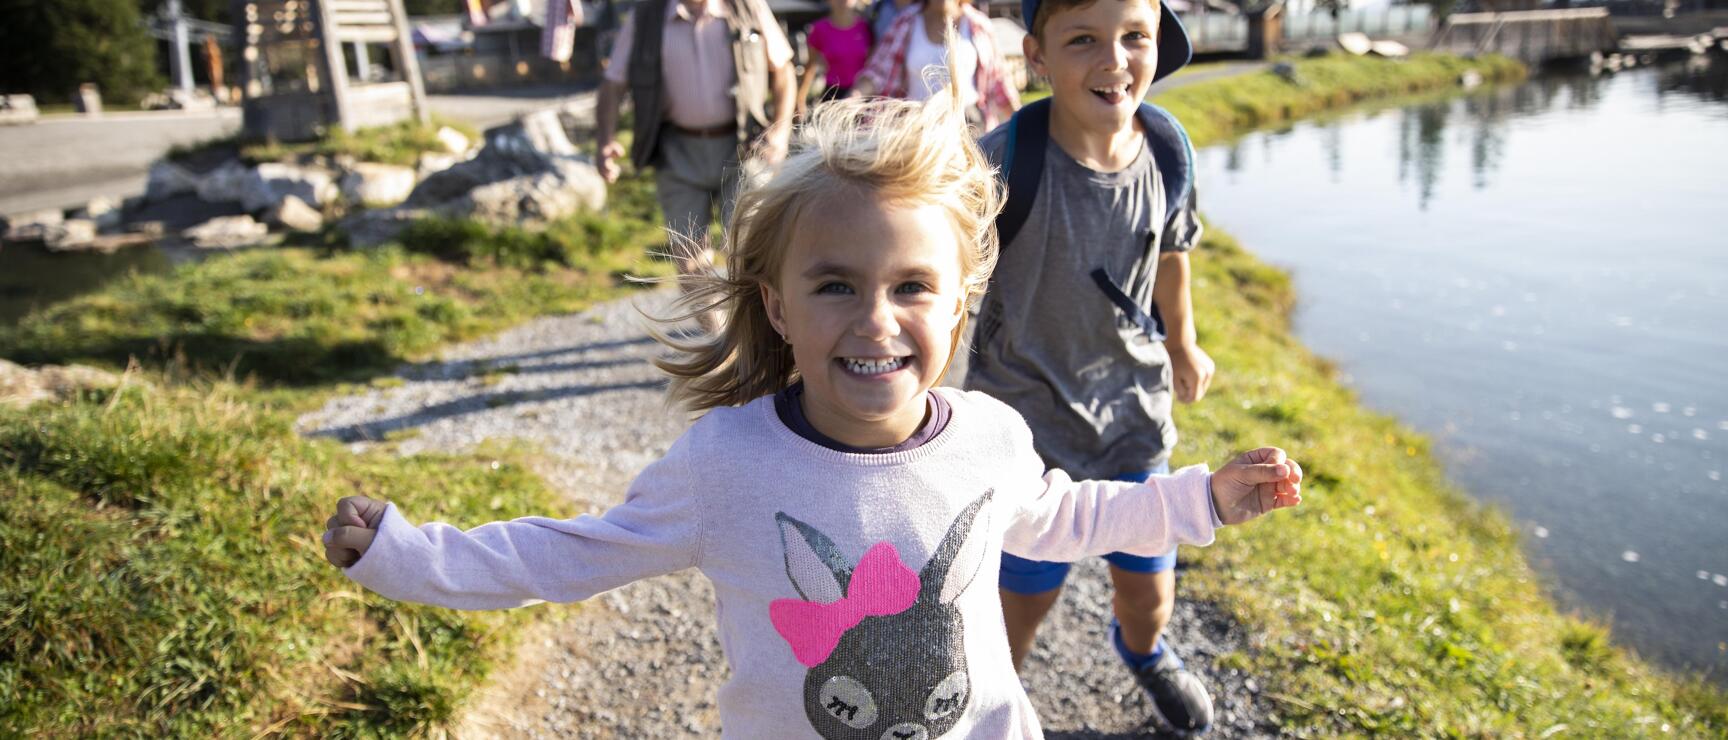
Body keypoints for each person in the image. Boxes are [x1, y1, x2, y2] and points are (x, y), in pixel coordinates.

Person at [321, 93, 1302, 739]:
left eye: (912, 285)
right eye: (835, 284)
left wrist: (1201, 499)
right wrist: (405, 554)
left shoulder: (991, 436)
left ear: (961, 304)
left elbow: (1073, 516)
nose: (876, 319)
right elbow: (568, 553)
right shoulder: (724, 463)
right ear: (779, 306)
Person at [962, 0, 1221, 731]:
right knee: (1019, 603)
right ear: (1037, 56)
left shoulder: (1167, 149)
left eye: (1135, 36)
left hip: (1134, 414)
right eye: (1083, 40)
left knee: (1149, 594)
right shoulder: (1003, 162)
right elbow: (943, 280)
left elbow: (1171, 256)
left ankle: (1145, 653)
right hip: (1026, 427)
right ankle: (990, 704)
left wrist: (1183, 343)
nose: (1114, 60)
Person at [594, 0, 798, 329]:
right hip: (677, 151)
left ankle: (759, 336)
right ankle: (721, 344)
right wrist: (605, 140)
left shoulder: (747, 7)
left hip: (743, 148)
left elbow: (783, 70)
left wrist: (781, 132)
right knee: (689, 258)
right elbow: (613, 83)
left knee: (750, 250)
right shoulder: (646, 16)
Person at [851, 0, 1019, 130]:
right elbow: (877, 73)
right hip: (916, 126)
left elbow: (1000, 84)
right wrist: (853, 99)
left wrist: (1022, 124)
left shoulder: (978, 25)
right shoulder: (906, 22)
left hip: (968, 124)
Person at [796, 0, 873, 116]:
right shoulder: (819, 29)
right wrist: (800, 98)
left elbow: (873, 65)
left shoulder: (866, 27)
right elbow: (810, 66)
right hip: (833, 96)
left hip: (861, 95)